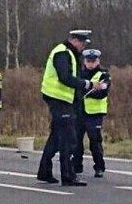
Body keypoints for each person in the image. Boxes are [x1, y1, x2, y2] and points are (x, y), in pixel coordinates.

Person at [36, 30, 106, 186]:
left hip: (63, 100)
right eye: (82, 43)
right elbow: (65, 77)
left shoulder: (69, 53)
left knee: (56, 137)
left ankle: (44, 171)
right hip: (58, 99)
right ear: (74, 40)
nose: (83, 47)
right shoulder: (63, 53)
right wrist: (87, 84)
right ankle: (68, 176)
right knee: (69, 138)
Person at [72, 49, 111, 178]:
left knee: (95, 141)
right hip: (79, 112)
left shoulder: (103, 74)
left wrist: (86, 92)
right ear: (85, 61)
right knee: (76, 141)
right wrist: (91, 88)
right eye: (88, 61)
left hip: (95, 114)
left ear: (98, 61)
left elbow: (102, 93)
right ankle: (76, 167)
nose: (91, 64)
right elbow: (76, 90)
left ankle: (99, 167)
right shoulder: (79, 73)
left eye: (93, 61)